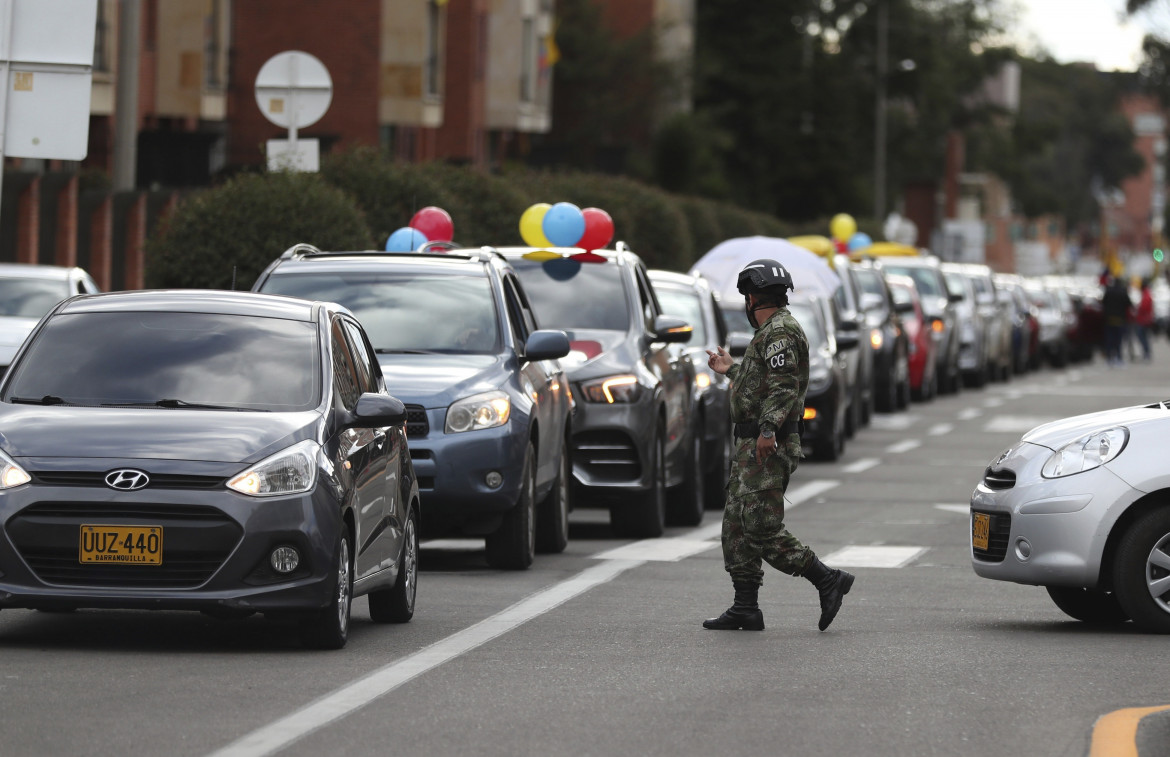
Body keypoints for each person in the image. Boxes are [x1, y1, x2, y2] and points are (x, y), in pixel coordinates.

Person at [703, 259, 854, 632]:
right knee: (736, 527)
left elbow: (784, 387)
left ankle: (827, 578)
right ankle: (745, 607)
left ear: (753, 297)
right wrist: (732, 369)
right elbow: (764, 383)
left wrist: (768, 431)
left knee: (761, 527)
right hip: (751, 443)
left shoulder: (781, 332)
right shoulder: (769, 331)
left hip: (766, 444)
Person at [1100, 275, 1132, 367]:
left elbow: (1103, 303)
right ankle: (1118, 358)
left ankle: (1109, 358)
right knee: (1118, 341)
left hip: (1109, 320)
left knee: (1109, 340)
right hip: (1120, 320)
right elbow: (1129, 304)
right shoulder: (1123, 292)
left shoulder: (1108, 291)